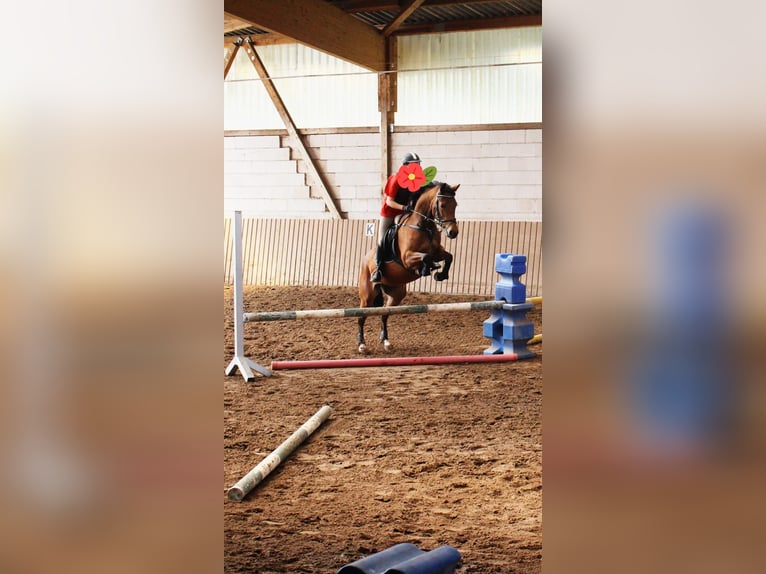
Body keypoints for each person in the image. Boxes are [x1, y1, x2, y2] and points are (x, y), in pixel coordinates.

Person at [370, 152, 425, 284]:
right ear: (405, 166)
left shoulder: (415, 180)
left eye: (418, 164)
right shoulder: (395, 179)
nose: (417, 167)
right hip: (389, 212)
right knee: (382, 239)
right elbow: (389, 201)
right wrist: (404, 207)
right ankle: (378, 269)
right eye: (414, 165)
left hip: (403, 213)